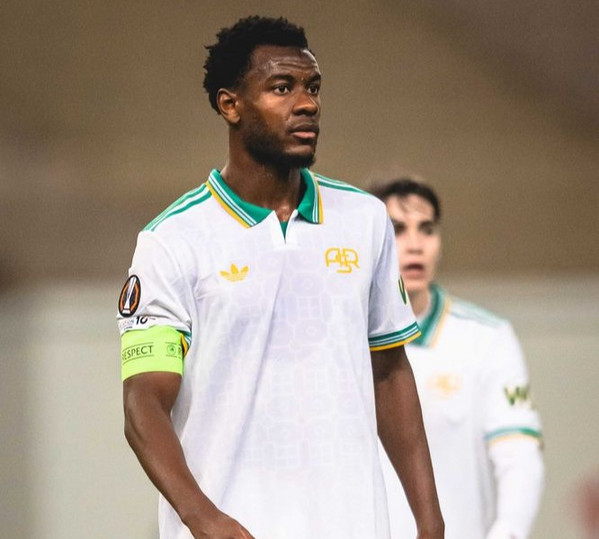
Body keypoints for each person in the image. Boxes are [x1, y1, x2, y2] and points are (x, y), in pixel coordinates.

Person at [117, 16, 444, 539]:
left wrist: (430, 522)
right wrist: (203, 517)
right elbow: (144, 403)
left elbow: (389, 373)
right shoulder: (171, 240)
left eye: (313, 87)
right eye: (282, 87)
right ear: (230, 105)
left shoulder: (365, 220)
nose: (307, 103)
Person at [370, 177, 544, 539]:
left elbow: (518, 455)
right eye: (397, 230)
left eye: (427, 229)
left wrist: (508, 532)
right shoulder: (341, 340)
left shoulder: (487, 338)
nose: (415, 245)